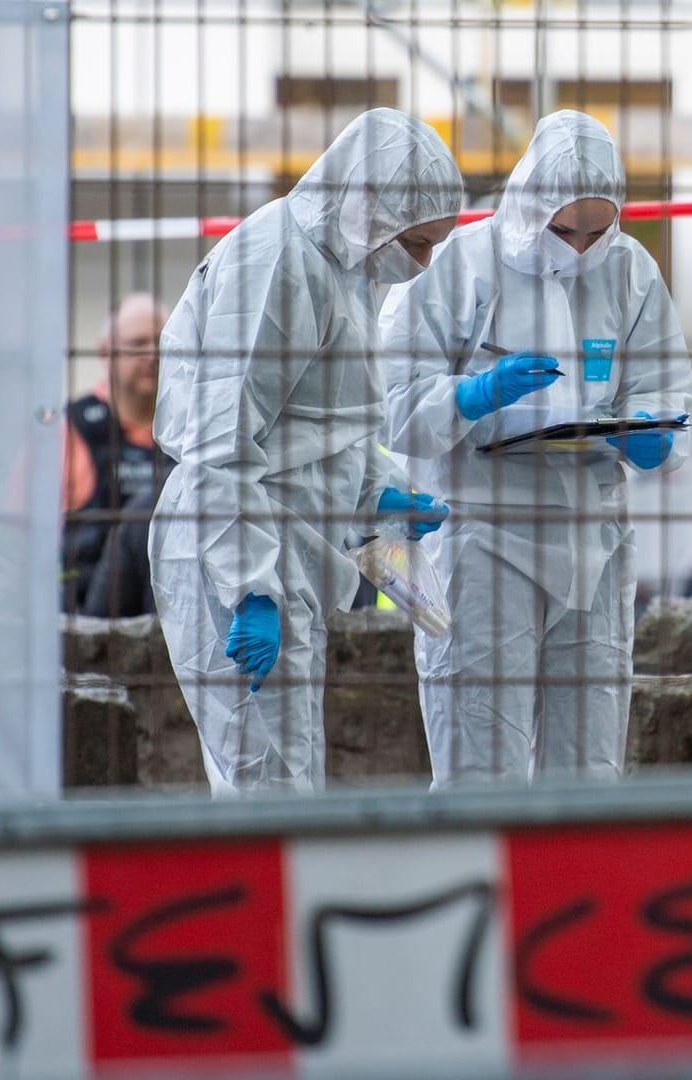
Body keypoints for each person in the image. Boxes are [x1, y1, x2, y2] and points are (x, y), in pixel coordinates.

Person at [379, 110, 692, 785]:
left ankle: (577, 885)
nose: (579, 249)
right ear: (528, 204)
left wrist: (648, 430)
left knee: (589, 760)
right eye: (562, 230)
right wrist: (473, 396)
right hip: (480, 537)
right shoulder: (459, 265)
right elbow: (392, 400)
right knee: (479, 756)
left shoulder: (631, 272)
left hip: (594, 539)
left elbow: (666, 385)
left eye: (596, 231)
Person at [149, 109, 462, 796]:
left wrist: (377, 488)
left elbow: (319, 424)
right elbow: (220, 443)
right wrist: (250, 590)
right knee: (269, 786)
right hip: (234, 543)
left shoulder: (347, 271)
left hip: (287, 542)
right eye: (417, 242)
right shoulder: (276, 261)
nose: (423, 263)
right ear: (370, 205)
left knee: (282, 781)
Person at [61, 293, 170, 614]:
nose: (153, 355)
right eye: (138, 344)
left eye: (161, 343)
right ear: (105, 353)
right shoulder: (72, 430)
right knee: (148, 509)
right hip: (93, 614)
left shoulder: (195, 428)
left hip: (179, 603)